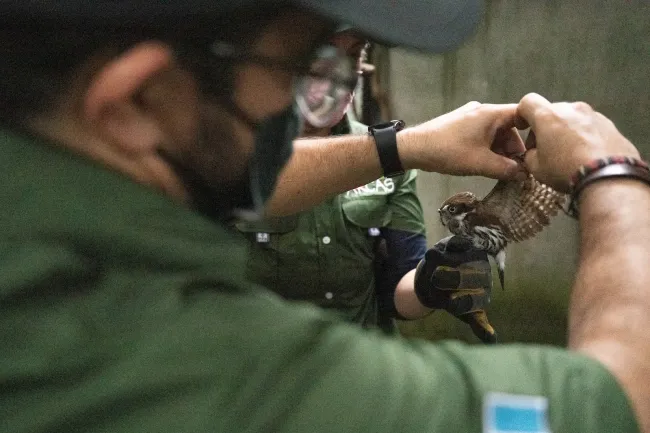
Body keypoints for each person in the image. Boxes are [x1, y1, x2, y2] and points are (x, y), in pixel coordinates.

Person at [0, 2, 648, 433]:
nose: (319, 84)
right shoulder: (209, 363)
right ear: (136, 100)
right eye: (298, 60)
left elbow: (393, 280)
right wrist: (610, 174)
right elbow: (624, 400)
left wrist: (428, 276)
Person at [235, 28, 432, 335]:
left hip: (359, 366)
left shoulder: (389, 159)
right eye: (319, 53)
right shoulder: (230, 157)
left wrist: (438, 279)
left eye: (352, 55)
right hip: (264, 368)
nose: (337, 73)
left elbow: (399, 291)